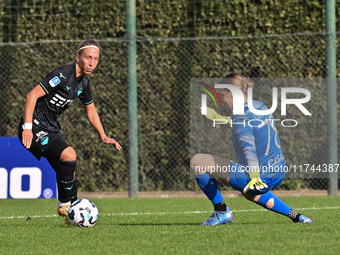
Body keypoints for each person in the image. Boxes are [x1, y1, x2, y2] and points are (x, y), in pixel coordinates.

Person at [18, 39, 122, 223]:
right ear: (78, 57)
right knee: (69, 155)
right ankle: (65, 206)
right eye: (88, 57)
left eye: (96, 59)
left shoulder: (83, 83)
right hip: (34, 126)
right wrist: (27, 128)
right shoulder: (62, 74)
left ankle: (72, 216)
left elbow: (90, 110)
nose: (92, 62)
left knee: (68, 171)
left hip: (51, 128)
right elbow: (31, 96)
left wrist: (103, 136)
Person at [191, 74, 312, 225]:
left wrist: (254, 177)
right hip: (278, 171)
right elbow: (249, 125)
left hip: (259, 176)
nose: (222, 100)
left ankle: (221, 211)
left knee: (198, 161)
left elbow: (249, 148)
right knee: (250, 194)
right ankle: (296, 216)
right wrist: (218, 118)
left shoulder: (239, 115)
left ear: (232, 94)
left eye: (223, 95)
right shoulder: (259, 106)